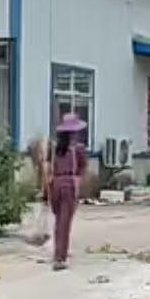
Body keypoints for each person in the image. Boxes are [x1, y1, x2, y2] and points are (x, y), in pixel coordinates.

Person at [44, 113, 88, 271]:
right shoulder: (78, 149)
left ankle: (59, 252)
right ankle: (60, 258)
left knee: (58, 222)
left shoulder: (54, 148)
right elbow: (82, 169)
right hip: (69, 185)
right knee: (65, 222)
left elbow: (47, 166)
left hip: (55, 184)